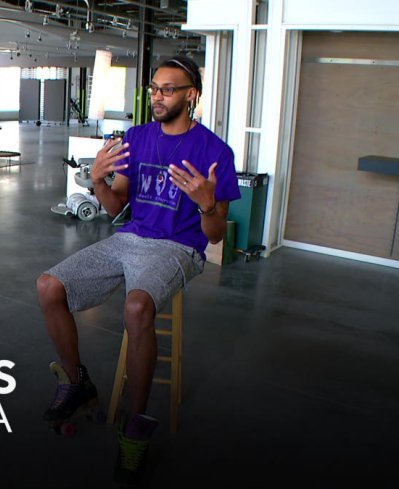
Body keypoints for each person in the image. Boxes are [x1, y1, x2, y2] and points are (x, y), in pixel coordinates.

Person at [36, 55, 240, 482]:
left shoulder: (215, 151)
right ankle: (77, 382)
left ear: (192, 95)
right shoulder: (137, 137)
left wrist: (206, 202)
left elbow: (216, 234)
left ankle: (136, 423)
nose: (158, 96)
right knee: (49, 285)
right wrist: (97, 181)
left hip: (179, 248)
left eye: (168, 89)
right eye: (154, 89)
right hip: (130, 237)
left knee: (136, 307)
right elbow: (117, 207)